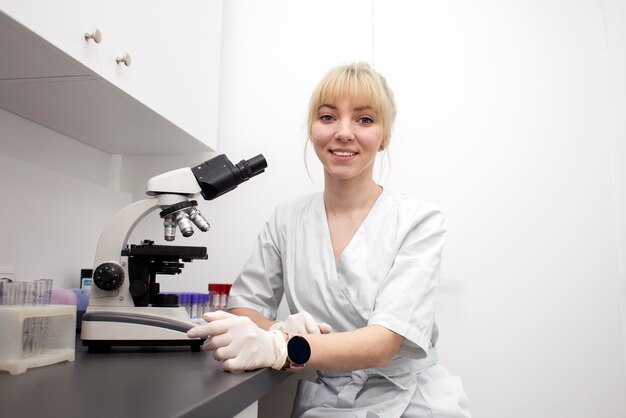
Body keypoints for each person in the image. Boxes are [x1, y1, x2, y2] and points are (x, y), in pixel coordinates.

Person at [188, 62, 471, 417]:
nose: (344, 132)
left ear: (384, 137)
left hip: (410, 403)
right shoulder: (286, 219)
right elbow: (245, 308)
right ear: (312, 130)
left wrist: (282, 347)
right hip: (325, 402)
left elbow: (384, 343)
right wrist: (278, 326)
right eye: (328, 117)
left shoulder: (418, 221)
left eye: (365, 120)